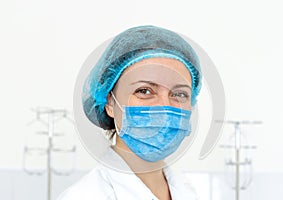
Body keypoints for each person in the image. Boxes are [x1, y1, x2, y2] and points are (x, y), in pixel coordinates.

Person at [58, 25, 202, 200]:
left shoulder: (188, 191)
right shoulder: (85, 196)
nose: (164, 106)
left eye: (179, 94)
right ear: (110, 103)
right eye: (144, 91)